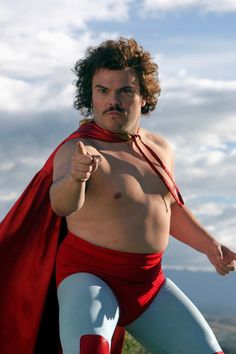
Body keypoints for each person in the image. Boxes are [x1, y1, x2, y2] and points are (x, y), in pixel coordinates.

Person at [48, 37, 235, 354]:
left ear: (144, 97)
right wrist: (76, 178)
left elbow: (167, 207)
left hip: (150, 282)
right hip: (90, 277)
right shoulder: (77, 150)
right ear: (90, 96)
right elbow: (61, 205)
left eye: (125, 91)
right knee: (89, 348)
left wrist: (209, 245)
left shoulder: (160, 148)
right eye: (102, 91)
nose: (113, 101)